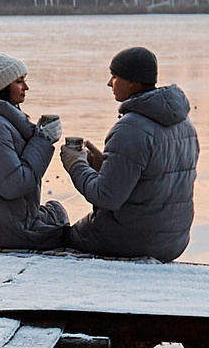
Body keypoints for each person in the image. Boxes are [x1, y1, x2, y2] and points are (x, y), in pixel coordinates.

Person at [60, 45, 198, 261]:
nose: (109, 83)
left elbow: (106, 198)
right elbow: (152, 179)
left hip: (131, 241)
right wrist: (103, 165)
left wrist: (75, 164)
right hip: (173, 242)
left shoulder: (130, 128)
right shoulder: (184, 123)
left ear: (132, 81)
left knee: (59, 233)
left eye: (114, 76)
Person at [0, 53, 71, 250]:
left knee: (54, 211)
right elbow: (14, 185)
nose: (26, 87)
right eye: (19, 81)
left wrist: (38, 134)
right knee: (61, 220)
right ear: (3, 86)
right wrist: (43, 140)